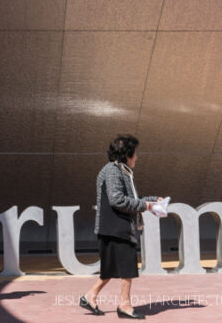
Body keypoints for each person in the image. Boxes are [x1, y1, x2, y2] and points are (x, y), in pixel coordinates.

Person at [80, 135, 161, 320]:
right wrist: (145, 206)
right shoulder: (113, 171)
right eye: (135, 153)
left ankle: (89, 296)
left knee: (111, 269)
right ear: (126, 154)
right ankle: (124, 305)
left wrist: (152, 201)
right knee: (127, 267)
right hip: (115, 229)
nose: (137, 157)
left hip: (116, 228)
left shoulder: (121, 171)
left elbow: (132, 199)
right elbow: (117, 200)